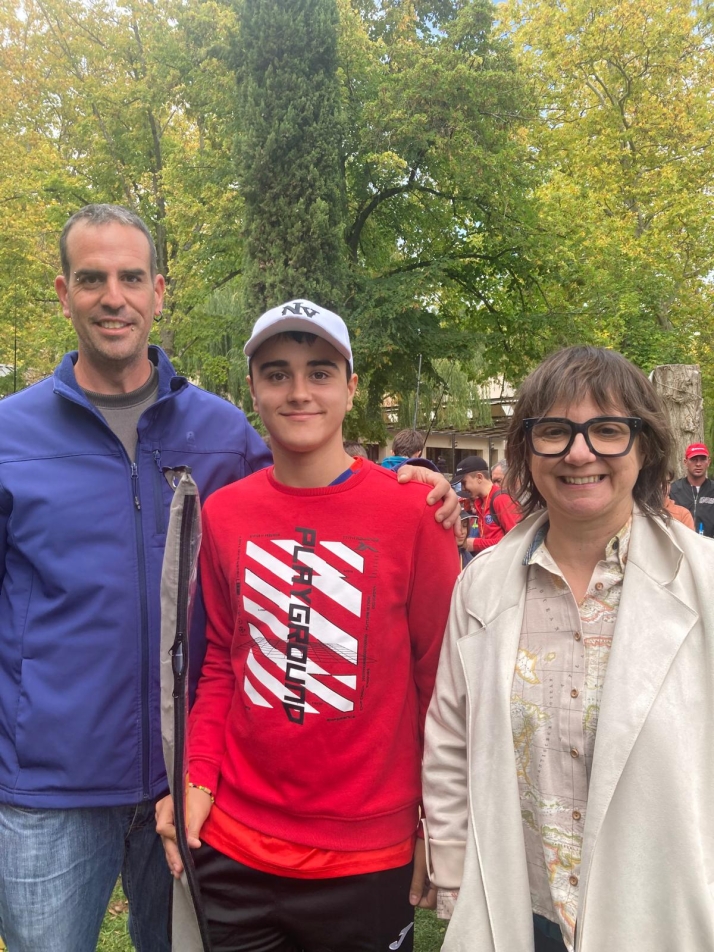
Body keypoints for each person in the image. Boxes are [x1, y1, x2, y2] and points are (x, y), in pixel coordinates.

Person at [0, 207, 458, 952]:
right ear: (63, 292)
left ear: (159, 292)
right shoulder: (9, 437)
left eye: (131, 278)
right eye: (92, 279)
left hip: (187, 783)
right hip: (52, 785)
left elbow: (312, 487)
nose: (113, 296)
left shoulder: (221, 434)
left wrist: (414, 485)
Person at [157, 300, 460, 952]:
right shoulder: (226, 512)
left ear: (351, 389)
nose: (298, 392)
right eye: (277, 374)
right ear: (254, 392)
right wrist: (200, 779)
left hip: (365, 857)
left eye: (319, 372)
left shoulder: (414, 512)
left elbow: (440, 679)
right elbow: (218, 665)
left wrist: (434, 823)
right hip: (235, 843)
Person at [423, 345, 714, 952]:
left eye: (608, 430)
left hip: (659, 909)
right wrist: (449, 866)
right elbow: (450, 738)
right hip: (521, 909)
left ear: (645, 447)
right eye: (555, 432)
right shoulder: (481, 584)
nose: (580, 452)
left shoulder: (706, 583)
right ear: (528, 450)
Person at [452, 455, 519, 556]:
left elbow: (516, 539)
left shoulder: (501, 499)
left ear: (479, 477)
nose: (463, 488)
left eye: (464, 483)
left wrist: (475, 544)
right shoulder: (480, 502)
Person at [669, 442, 714, 535]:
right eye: (694, 459)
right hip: (681, 545)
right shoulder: (673, 490)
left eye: (702, 459)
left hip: (709, 546)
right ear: (685, 462)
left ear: (708, 462)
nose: (698, 464)